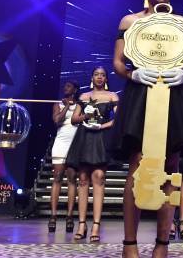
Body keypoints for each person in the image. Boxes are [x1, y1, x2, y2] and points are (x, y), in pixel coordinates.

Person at [113, 0, 183, 258]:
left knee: (170, 169)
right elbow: (118, 62)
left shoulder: (181, 23)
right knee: (138, 166)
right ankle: (130, 244)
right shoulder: (129, 21)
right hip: (142, 95)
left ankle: (162, 244)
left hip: (174, 94)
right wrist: (132, 75)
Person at [66, 67, 118, 243]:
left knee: (99, 176)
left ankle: (96, 224)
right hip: (85, 137)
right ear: (92, 77)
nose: (99, 77)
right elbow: (74, 119)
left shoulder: (112, 96)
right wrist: (86, 117)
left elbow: (119, 119)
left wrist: (102, 126)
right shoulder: (83, 97)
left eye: (102, 75)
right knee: (82, 179)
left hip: (101, 137)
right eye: (96, 74)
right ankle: (82, 224)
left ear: (106, 78)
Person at [47, 80, 80, 234]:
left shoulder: (80, 105)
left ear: (75, 89)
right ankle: (53, 216)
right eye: (64, 86)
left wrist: (73, 105)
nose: (65, 88)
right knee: (57, 177)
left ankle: (69, 216)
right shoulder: (57, 104)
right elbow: (56, 120)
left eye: (68, 86)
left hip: (74, 145)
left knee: (72, 179)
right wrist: (66, 105)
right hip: (60, 143)